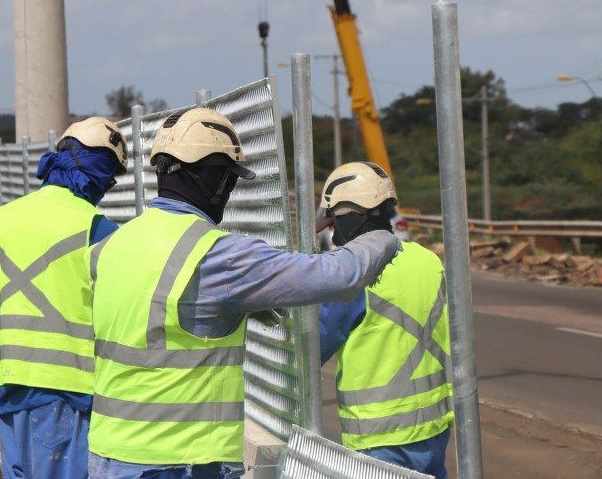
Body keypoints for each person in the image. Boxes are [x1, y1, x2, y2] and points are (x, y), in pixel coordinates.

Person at [86, 108, 402, 479]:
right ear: (214, 177)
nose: (231, 190)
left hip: (109, 454)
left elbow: (154, 322)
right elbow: (339, 275)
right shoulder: (217, 254)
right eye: (230, 179)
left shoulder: (110, 247)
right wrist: (382, 233)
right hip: (180, 461)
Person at [0, 117, 127, 479]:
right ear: (101, 173)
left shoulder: (0, 220)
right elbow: (122, 315)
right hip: (67, 396)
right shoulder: (97, 229)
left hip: (9, 387)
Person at [317, 162, 453, 478]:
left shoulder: (352, 275)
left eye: (334, 222)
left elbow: (313, 349)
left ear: (352, 216)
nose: (332, 232)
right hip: (433, 429)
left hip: (379, 437)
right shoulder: (427, 259)